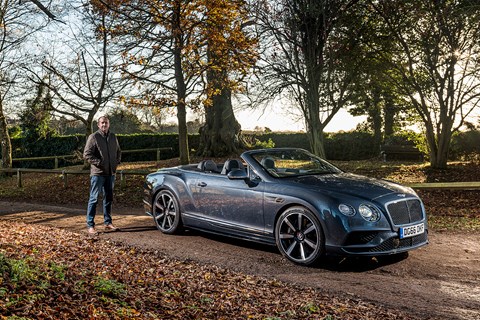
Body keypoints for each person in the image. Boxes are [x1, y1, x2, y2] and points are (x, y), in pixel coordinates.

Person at [83, 115, 121, 235]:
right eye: (102, 123)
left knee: (108, 199)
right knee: (94, 199)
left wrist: (116, 162)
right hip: (98, 174)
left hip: (110, 173)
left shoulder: (113, 136)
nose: (104, 125)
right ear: (98, 125)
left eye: (106, 123)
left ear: (109, 124)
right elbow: (87, 154)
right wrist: (99, 163)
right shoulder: (93, 137)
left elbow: (118, 151)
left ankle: (108, 223)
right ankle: (90, 225)